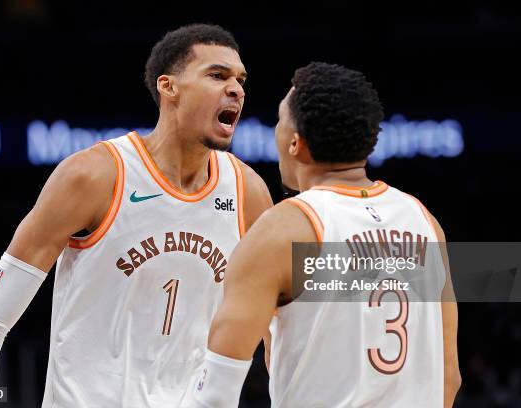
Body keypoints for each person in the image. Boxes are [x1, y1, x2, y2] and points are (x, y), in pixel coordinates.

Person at [0, 23, 272, 407]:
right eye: (217, 75)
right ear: (168, 87)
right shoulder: (93, 175)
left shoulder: (247, 191)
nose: (236, 89)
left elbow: (281, 332)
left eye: (240, 79)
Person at [187, 62, 461, 407]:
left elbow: (216, 393)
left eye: (278, 121)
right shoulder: (423, 220)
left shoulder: (283, 230)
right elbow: (448, 376)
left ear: (295, 144)